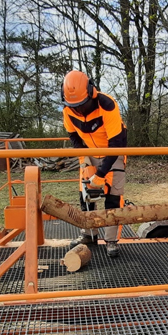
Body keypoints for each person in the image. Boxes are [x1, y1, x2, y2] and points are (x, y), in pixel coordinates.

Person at [61, 70, 128, 258]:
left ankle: (111, 240)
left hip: (114, 153)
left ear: (91, 92)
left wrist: (100, 175)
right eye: (74, 106)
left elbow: (116, 143)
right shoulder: (68, 109)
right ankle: (89, 234)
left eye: (82, 105)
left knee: (113, 199)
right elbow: (73, 136)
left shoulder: (107, 105)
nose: (78, 110)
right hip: (90, 153)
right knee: (86, 196)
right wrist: (85, 160)